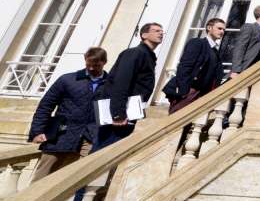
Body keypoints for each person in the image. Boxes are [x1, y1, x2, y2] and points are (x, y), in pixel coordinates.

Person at [28, 47, 108, 183]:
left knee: (77, 180)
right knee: (42, 180)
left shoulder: (111, 84)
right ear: (85, 60)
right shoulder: (67, 80)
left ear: (104, 62)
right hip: (60, 135)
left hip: (91, 137)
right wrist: (37, 131)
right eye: (89, 64)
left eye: (96, 65)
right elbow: (45, 106)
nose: (92, 68)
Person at [95, 22, 163, 150]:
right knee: (103, 153)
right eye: (156, 30)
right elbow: (121, 82)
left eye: (161, 31)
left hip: (129, 112)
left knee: (114, 153)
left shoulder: (147, 55)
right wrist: (118, 114)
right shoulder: (135, 53)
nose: (160, 33)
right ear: (144, 35)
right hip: (120, 115)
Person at [162, 18, 225, 113]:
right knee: (177, 118)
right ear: (209, 28)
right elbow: (184, 67)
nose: (222, 31)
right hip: (190, 90)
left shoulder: (215, 51)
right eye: (219, 28)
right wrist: (184, 92)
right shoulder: (197, 43)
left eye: (223, 29)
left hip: (202, 94)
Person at [230, 5, 260, 78]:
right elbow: (239, 48)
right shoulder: (250, 27)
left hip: (258, 71)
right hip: (245, 69)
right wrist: (235, 70)